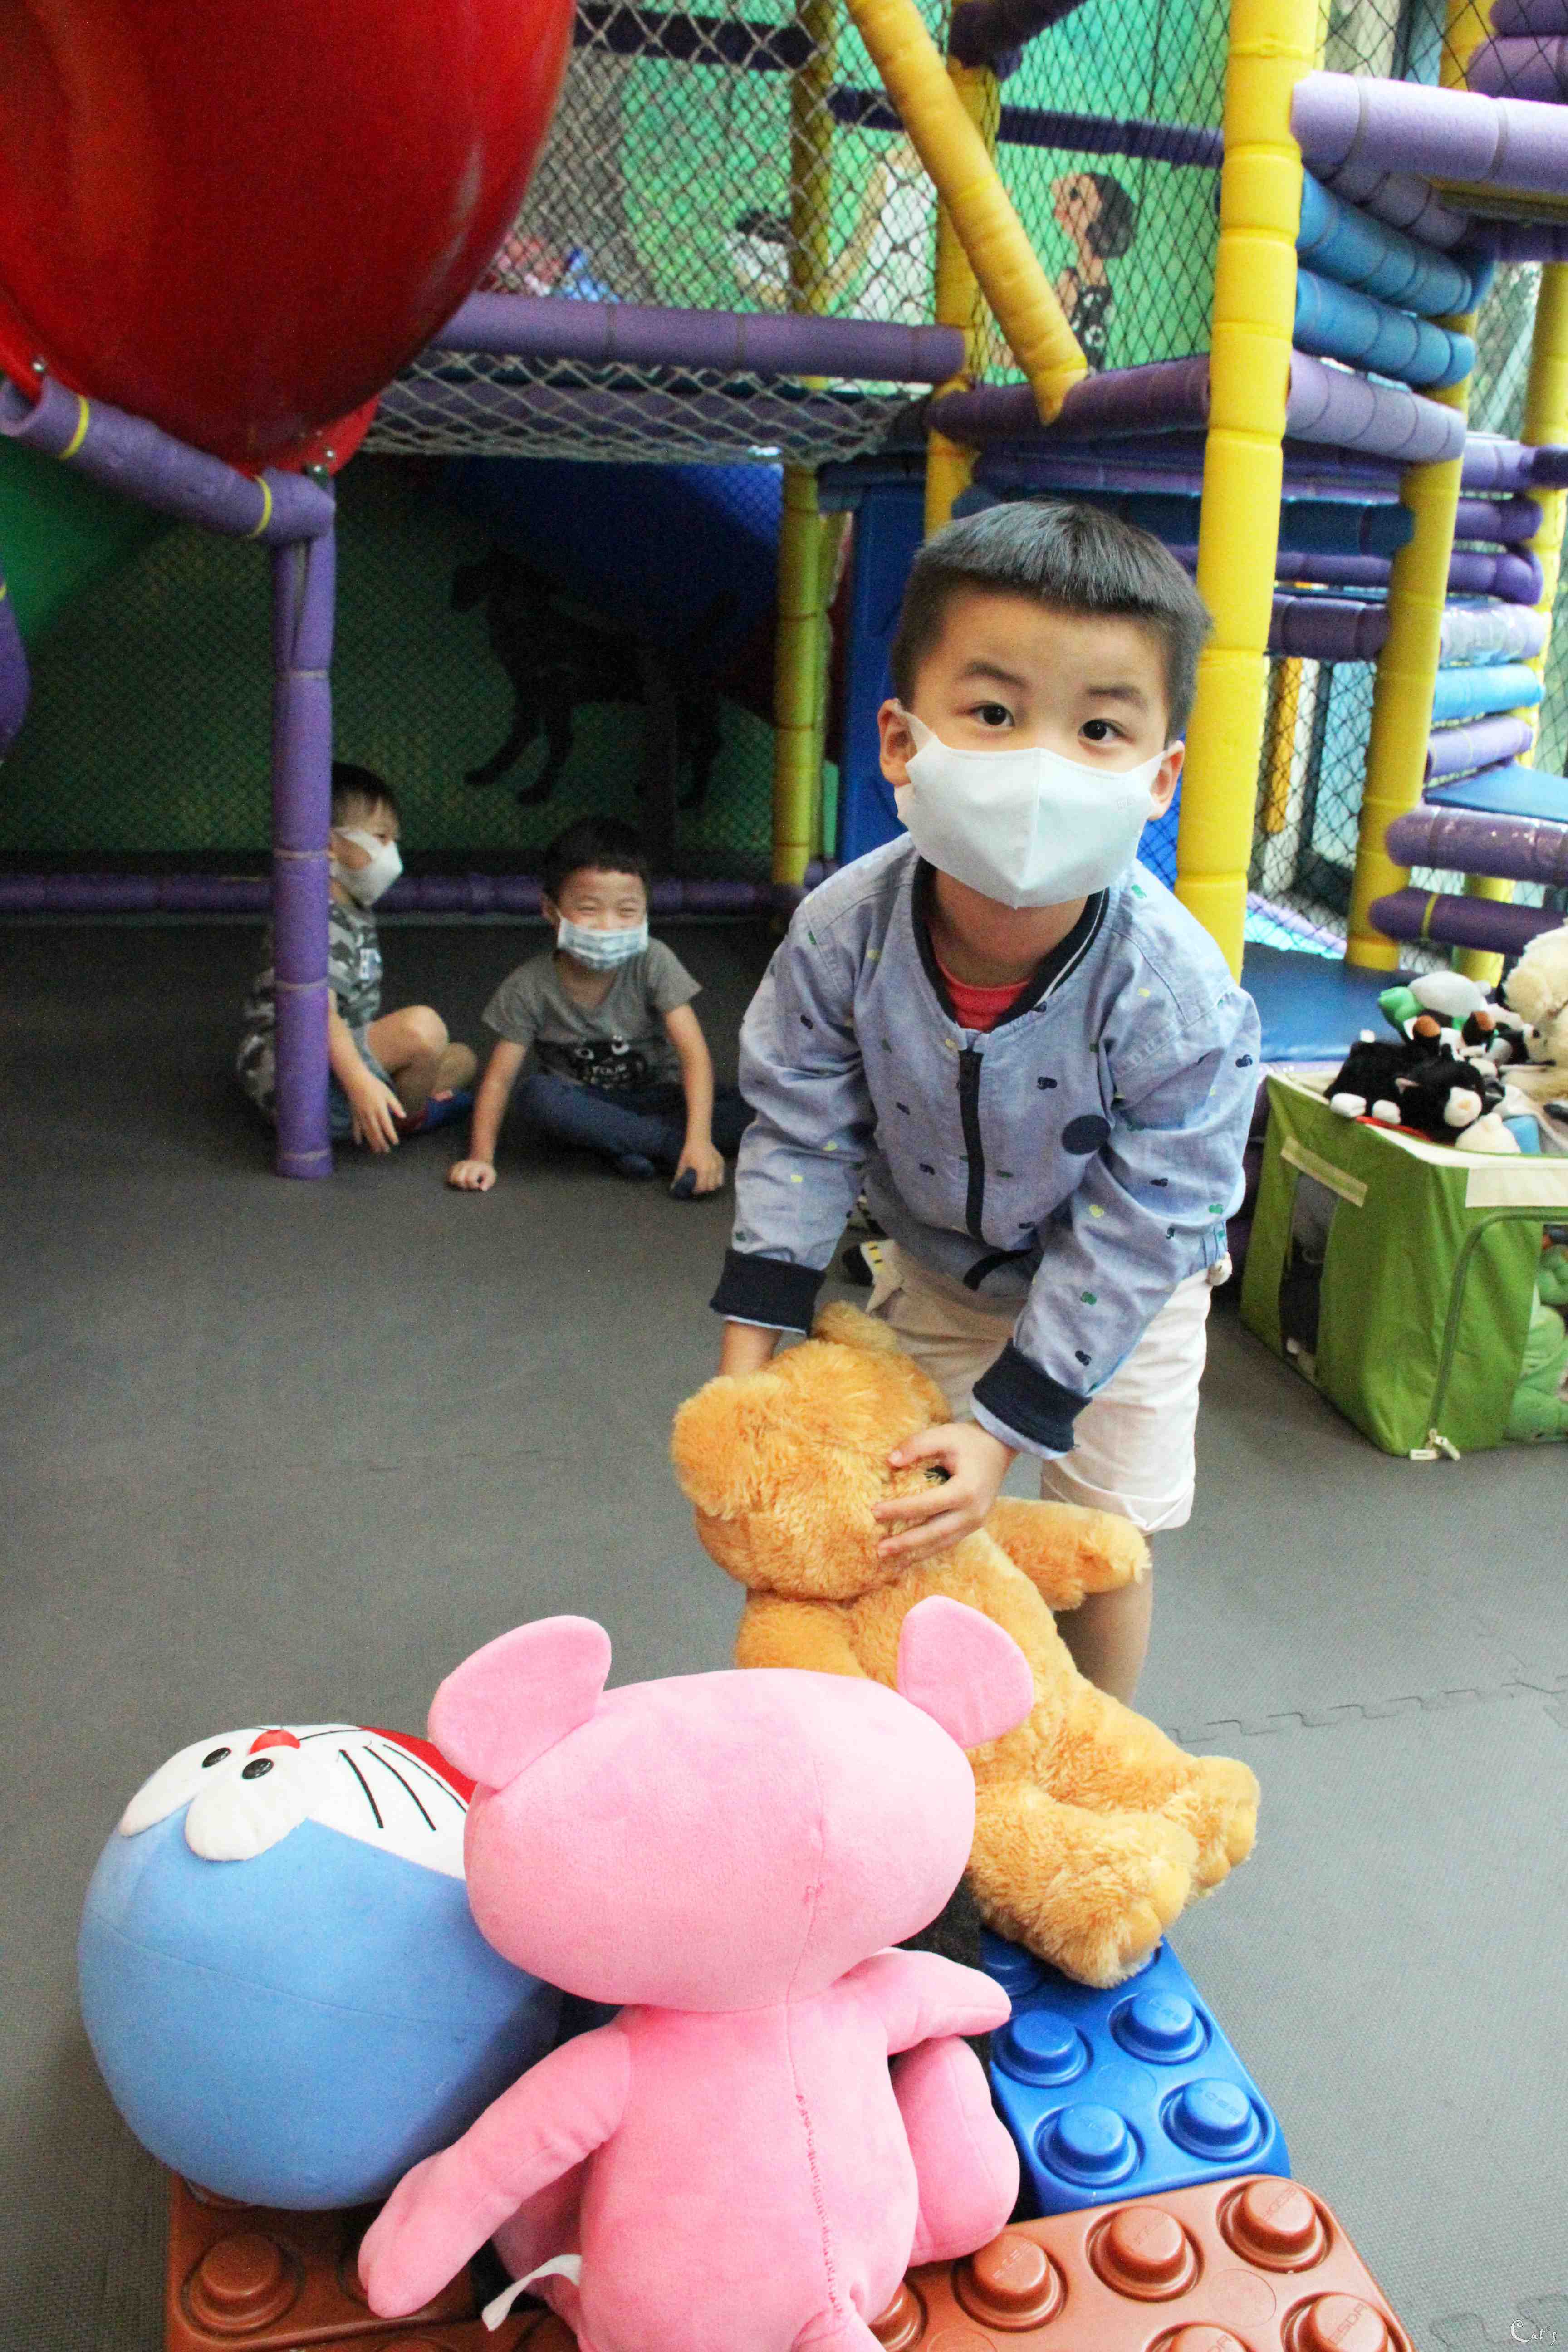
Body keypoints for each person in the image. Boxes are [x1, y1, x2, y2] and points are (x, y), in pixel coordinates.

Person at [710, 501, 1259, 1705]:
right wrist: (746, 1365)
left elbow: (1152, 1217)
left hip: (1128, 1296)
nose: (1041, 768)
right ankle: (919, 1747)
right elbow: (800, 1127)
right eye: (996, 714)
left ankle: (1092, 1746)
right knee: (903, 1513)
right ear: (902, 741)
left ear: (1161, 777)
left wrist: (1011, 1426)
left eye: (1100, 728)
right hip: (941, 1270)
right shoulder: (843, 931)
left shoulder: (1174, 991)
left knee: (1104, 1542)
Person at [449, 816, 750, 1197]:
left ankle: (630, 1146)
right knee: (537, 1097)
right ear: (550, 910)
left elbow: (694, 1056)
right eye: (590, 909)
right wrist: (480, 1158)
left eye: (627, 911)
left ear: (646, 911)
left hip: (660, 1095)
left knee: (759, 1103)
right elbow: (498, 1080)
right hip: (586, 1105)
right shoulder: (528, 986)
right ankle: (667, 1148)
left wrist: (700, 1139)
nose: (608, 926)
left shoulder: (654, 961)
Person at [236, 762, 476, 1151]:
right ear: (328, 842)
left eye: (394, 840)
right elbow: (319, 1013)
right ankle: (405, 1118)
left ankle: (386, 1107)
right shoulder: (314, 917)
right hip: (298, 1081)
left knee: (462, 1059)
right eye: (380, 837)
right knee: (424, 1029)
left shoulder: (352, 907)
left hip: (334, 1062)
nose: (391, 853)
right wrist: (360, 1082)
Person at [1051, 171, 1137, 372]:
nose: (1061, 208)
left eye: (1075, 196)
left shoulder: (1074, 284)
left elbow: (1037, 352)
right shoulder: (1095, 287)